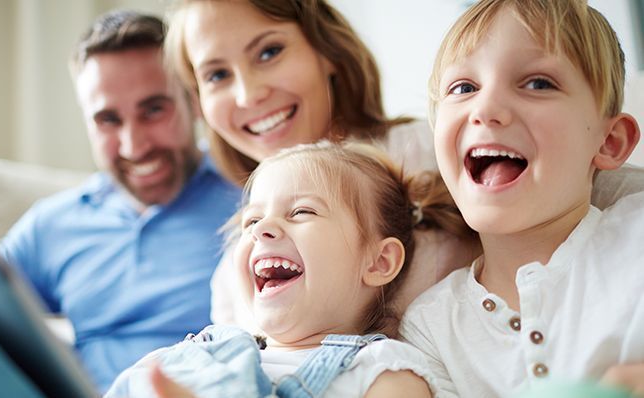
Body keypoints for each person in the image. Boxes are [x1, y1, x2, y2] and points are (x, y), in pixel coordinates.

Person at [165, 0, 644, 333]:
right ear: (200, 103)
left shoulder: (438, 144)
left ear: (324, 51)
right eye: (216, 75)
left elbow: (593, 188)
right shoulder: (239, 271)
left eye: (269, 52)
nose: (249, 94)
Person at [399, 0, 644, 397]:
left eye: (538, 83)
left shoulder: (636, 241)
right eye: (464, 88)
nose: (487, 109)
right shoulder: (429, 328)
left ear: (609, 141)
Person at [105, 141, 475, 398]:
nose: (263, 228)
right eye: (251, 220)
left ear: (378, 262)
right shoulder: (199, 352)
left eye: (301, 212)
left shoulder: (385, 372)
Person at [0, 10, 240, 391]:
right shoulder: (53, 224)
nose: (134, 146)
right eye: (108, 119)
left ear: (193, 101)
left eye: (154, 109)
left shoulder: (254, 195)